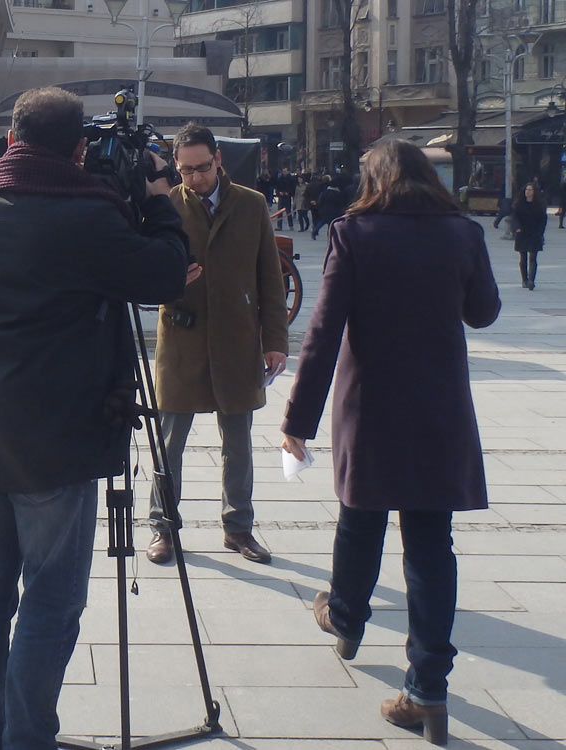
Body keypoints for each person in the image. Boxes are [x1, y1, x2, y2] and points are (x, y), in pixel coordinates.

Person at [0, 86, 191, 750]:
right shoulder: (88, 218)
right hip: (51, 443)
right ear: (78, 150)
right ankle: (28, 740)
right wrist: (159, 201)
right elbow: (167, 274)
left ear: (14, 143)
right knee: (51, 601)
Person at [281, 139, 501, 746]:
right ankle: (427, 686)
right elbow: (484, 312)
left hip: (370, 405)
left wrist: (297, 419)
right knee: (432, 544)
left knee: (359, 519)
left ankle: (346, 617)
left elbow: (323, 331)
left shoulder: (356, 233)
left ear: (372, 177)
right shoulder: (463, 232)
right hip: (438, 408)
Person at [145, 123, 288, 566]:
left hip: (236, 339)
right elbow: (141, 276)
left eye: (201, 168)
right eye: (185, 170)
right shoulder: (165, 207)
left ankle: (238, 528)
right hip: (182, 341)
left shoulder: (251, 205)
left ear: (218, 159)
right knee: (169, 441)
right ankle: (163, 527)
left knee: (238, 441)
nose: (194, 178)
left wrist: (275, 341)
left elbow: (270, 276)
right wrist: (165, 280)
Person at [513, 182, 546, 290]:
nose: (528, 192)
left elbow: (543, 220)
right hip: (522, 232)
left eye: (530, 190)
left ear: (534, 192)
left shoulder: (539, 205)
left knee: (533, 257)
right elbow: (515, 217)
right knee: (523, 258)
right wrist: (517, 227)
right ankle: (524, 279)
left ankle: (531, 280)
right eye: (527, 190)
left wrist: (540, 232)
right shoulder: (519, 204)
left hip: (534, 233)